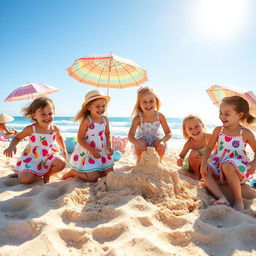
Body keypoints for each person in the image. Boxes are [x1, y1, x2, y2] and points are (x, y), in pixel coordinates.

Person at [200, 96, 256, 211]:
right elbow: (209, 147)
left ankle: (238, 200)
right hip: (219, 167)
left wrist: (254, 162)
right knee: (205, 172)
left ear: (239, 115)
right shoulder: (218, 130)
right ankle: (222, 197)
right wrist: (204, 163)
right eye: (220, 113)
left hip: (238, 170)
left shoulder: (245, 133)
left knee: (227, 165)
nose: (222, 116)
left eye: (227, 114)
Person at [3, 97, 67, 184]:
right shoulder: (31, 129)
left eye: (50, 113)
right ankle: (21, 173)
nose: (47, 117)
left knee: (62, 163)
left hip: (48, 155)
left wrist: (64, 149)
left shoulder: (54, 128)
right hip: (33, 158)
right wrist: (12, 146)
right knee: (25, 180)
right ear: (34, 115)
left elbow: (59, 138)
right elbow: (17, 138)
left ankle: (47, 174)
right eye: (42, 114)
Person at [62, 90, 114, 182]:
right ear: (89, 107)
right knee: (93, 178)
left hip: (102, 151)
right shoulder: (87, 121)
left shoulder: (105, 119)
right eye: (97, 106)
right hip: (89, 151)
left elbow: (107, 133)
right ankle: (73, 172)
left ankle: (98, 169)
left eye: (103, 106)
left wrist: (109, 145)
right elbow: (80, 139)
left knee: (110, 174)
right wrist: (92, 150)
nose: (101, 109)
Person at [128, 86, 171, 163]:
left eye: (151, 101)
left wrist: (162, 140)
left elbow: (168, 133)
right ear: (139, 104)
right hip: (142, 139)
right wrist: (136, 142)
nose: (148, 104)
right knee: (140, 144)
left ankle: (159, 161)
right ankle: (139, 162)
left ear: (156, 102)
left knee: (161, 146)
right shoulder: (138, 118)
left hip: (156, 138)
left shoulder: (160, 116)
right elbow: (130, 136)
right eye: (144, 102)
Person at [177, 115, 211, 180]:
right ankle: (196, 174)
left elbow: (218, 150)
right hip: (192, 165)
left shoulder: (209, 137)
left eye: (196, 126)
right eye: (190, 129)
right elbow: (181, 156)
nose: (194, 130)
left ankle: (203, 172)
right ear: (186, 131)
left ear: (202, 125)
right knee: (194, 153)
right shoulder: (189, 143)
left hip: (205, 162)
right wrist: (180, 160)